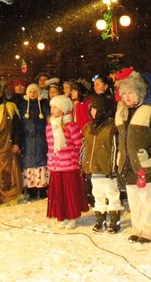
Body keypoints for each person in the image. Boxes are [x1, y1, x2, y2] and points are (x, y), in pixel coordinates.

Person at [115, 73, 151, 244]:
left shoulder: (149, 112)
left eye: (130, 93)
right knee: (133, 198)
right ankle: (138, 228)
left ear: (139, 93)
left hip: (143, 163)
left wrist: (149, 152)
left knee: (146, 198)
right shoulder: (121, 113)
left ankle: (149, 231)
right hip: (126, 163)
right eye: (124, 94)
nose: (127, 97)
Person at [82, 94, 123, 234]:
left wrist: (113, 168)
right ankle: (100, 220)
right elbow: (85, 147)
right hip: (94, 168)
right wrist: (84, 164)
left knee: (112, 193)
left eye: (95, 109)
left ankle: (114, 220)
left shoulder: (112, 127)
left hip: (107, 168)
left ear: (102, 109)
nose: (92, 112)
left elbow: (115, 148)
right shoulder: (88, 127)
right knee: (97, 194)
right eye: (91, 109)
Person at [46, 95, 88, 229]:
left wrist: (74, 158)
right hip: (56, 166)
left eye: (55, 107)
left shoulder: (71, 126)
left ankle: (72, 216)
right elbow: (50, 146)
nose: (52, 110)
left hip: (69, 166)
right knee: (59, 193)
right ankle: (62, 215)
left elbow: (79, 144)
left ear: (63, 109)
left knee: (70, 193)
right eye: (51, 107)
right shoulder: (49, 126)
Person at [18, 83, 50, 200]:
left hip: (41, 139)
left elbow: (48, 118)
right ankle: (31, 189)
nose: (33, 94)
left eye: (35, 91)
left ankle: (41, 189)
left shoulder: (44, 105)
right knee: (29, 163)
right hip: (27, 140)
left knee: (41, 162)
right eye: (30, 92)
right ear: (27, 93)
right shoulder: (22, 106)